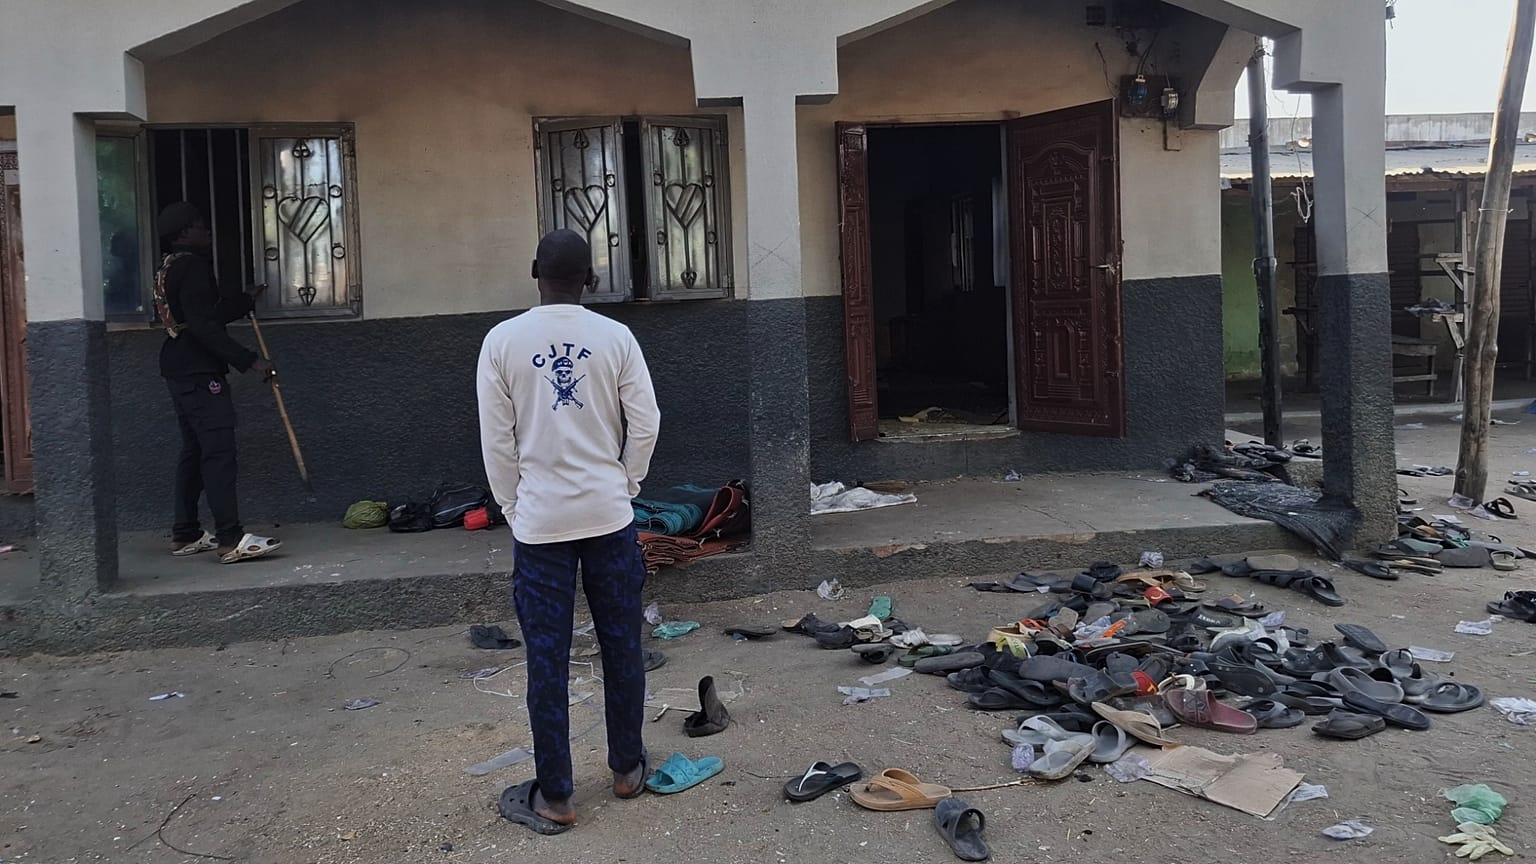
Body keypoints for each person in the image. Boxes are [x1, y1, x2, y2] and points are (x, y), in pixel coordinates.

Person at [476, 229, 661, 834]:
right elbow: (647, 422)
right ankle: (628, 770)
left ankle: (556, 795)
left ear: (535, 271)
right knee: (622, 645)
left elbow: (497, 442)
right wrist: (626, 486)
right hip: (609, 518)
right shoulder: (617, 338)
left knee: (547, 660)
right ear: (591, 279)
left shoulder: (501, 342)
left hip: (541, 527)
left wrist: (513, 506)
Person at [155, 201, 282, 564]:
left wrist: (243, 302)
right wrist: (250, 360)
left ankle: (187, 533)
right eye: (200, 225)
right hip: (198, 371)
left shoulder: (168, 267)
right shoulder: (193, 266)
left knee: (195, 450)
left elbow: (199, 316)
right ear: (184, 234)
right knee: (218, 450)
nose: (207, 231)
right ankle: (231, 539)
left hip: (178, 366)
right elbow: (202, 326)